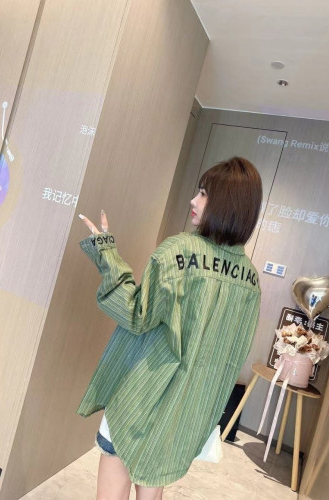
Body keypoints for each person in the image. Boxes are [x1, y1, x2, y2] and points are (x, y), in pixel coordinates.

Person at [78, 156, 263, 500]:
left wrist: (107, 254)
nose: (194, 200)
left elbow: (136, 315)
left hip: (139, 398)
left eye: (204, 193)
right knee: (153, 485)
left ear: (226, 203)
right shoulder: (250, 280)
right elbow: (229, 358)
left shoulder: (178, 251)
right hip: (182, 413)